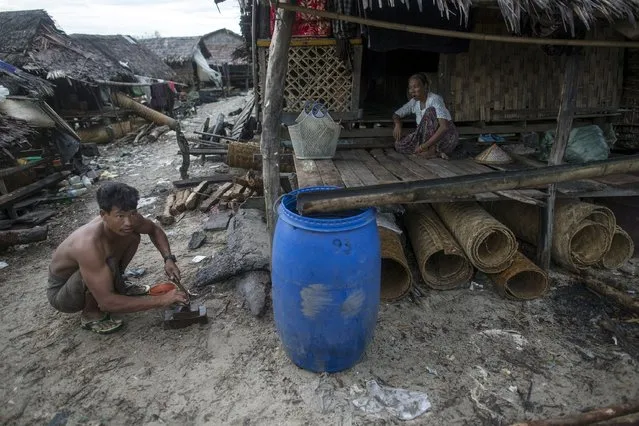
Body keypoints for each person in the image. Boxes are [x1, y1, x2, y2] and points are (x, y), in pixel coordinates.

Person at [47, 182, 188, 334]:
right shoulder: (87, 245)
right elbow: (107, 303)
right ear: (103, 215)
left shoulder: (130, 219)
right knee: (101, 261)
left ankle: (117, 285)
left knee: (132, 236)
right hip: (63, 294)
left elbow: (154, 229)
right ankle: (90, 314)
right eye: (120, 216)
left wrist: (168, 259)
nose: (128, 222)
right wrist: (162, 300)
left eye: (132, 213)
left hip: (99, 271)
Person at [392, 72, 459, 158]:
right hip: (424, 139)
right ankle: (435, 153)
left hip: (445, 138)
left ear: (425, 86)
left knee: (430, 111)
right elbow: (396, 114)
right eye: (410, 88)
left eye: (416, 87)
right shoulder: (414, 102)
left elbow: (444, 127)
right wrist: (398, 124)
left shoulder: (435, 99)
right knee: (398, 145)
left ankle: (431, 150)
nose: (412, 91)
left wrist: (423, 146)